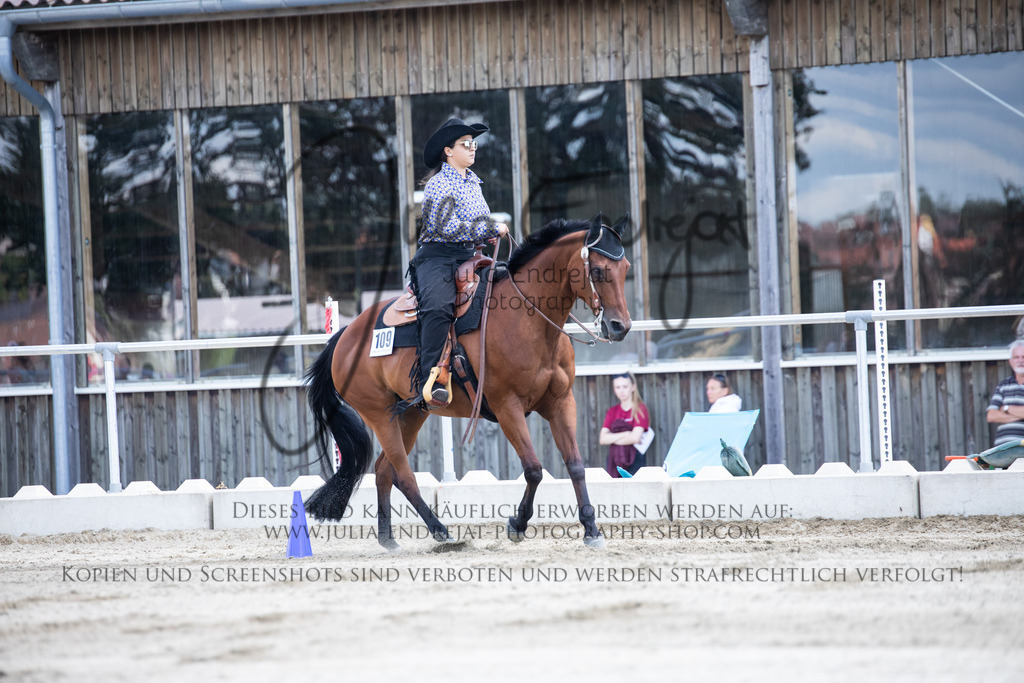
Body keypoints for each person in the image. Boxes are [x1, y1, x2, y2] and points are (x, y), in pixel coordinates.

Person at [407, 117, 509, 408]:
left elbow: (476, 222)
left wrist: (486, 235)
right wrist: (489, 228)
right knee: (438, 306)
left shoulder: (474, 183)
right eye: (466, 144)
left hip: (468, 255)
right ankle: (428, 380)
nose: (472, 148)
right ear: (448, 151)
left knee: (507, 287)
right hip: (437, 256)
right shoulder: (438, 185)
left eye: (474, 143)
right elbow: (447, 226)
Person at [599, 372, 650, 477]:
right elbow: (603, 439)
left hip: (634, 460)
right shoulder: (612, 411)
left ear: (633, 387)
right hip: (614, 460)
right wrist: (626, 433)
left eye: (625, 386)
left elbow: (635, 438)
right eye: (618, 387)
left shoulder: (640, 409)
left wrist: (613, 439)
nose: (621, 391)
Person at [986, 340, 1024, 447]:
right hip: (1002, 449)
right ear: (1010, 361)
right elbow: (991, 415)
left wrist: (1007, 409)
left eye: (1023, 356)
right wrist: (1020, 416)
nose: (1020, 360)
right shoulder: (1004, 385)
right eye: (1016, 357)